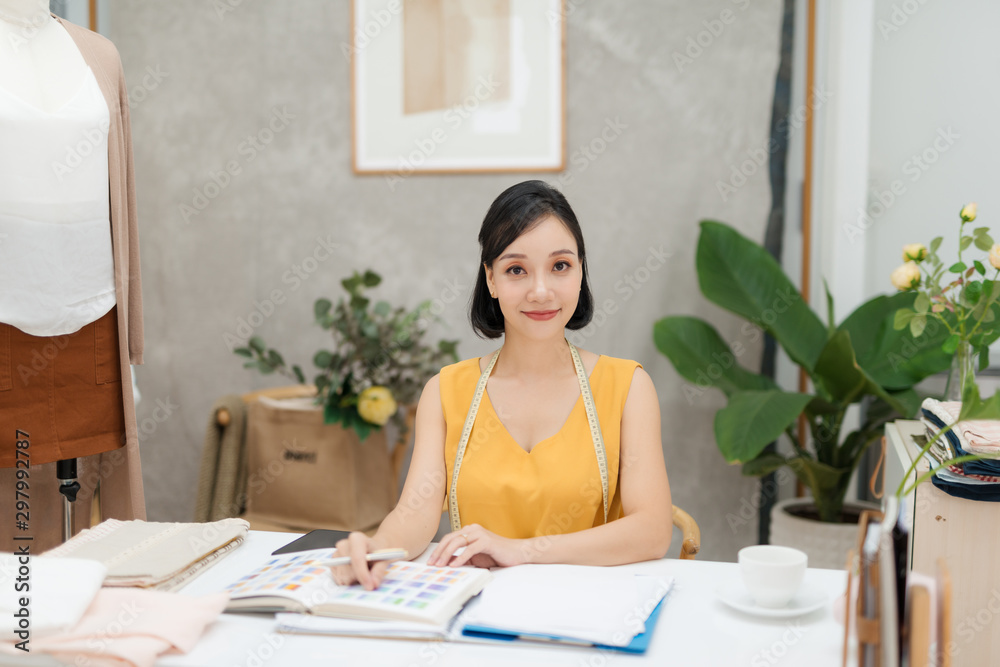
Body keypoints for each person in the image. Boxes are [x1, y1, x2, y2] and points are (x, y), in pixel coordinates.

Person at [332, 181, 671, 589]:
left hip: (588, 612)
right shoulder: (444, 392)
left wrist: (522, 551)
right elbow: (414, 512)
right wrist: (377, 547)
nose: (541, 290)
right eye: (516, 270)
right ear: (490, 280)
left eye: (560, 266)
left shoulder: (628, 387)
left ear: (581, 272)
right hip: (475, 613)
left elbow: (652, 531)